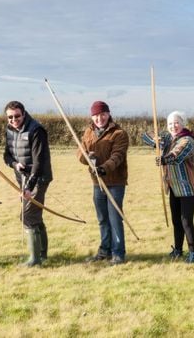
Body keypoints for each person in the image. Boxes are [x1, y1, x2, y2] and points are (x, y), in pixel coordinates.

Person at [142, 111, 194, 263]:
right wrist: (155, 140)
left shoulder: (187, 140)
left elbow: (177, 155)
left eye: (176, 122)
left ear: (183, 123)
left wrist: (164, 159)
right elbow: (145, 136)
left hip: (188, 187)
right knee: (176, 220)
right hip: (174, 187)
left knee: (186, 221)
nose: (173, 126)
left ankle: (193, 253)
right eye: (170, 124)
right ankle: (177, 250)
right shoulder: (169, 138)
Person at [79, 101, 129, 265]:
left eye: (102, 114)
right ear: (91, 116)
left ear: (108, 114)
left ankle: (118, 253)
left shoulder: (119, 133)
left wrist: (103, 168)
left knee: (115, 218)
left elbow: (118, 156)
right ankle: (104, 251)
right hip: (97, 184)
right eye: (95, 115)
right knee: (102, 219)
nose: (99, 118)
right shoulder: (89, 132)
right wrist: (87, 157)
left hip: (115, 182)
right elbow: (80, 153)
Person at [3, 101, 53, 266]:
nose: (14, 119)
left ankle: (35, 259)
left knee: (28, 216)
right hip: (22, 178)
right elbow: (7, 156)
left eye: (17, 116)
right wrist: (15, 164)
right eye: (10, 117)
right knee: (35, 215)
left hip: (38, 179)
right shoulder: (9, 130)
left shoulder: (36, 130)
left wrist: (29, 187)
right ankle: (42, 255)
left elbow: (39, 162)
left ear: (23, 114)